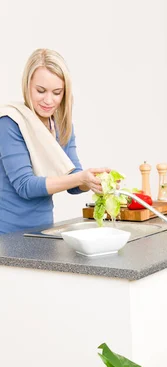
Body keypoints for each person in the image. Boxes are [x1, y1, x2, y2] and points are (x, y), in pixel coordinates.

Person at [0, 48, 108, 234]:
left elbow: (73, 179)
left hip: (44, 231)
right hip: (8, 236)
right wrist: (80, 177)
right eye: (41, 91)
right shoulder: (9, 122)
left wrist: (92, 181)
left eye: (57, 92)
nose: (48, 100)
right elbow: (25, 186)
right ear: (27, 85)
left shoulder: (61, 125)